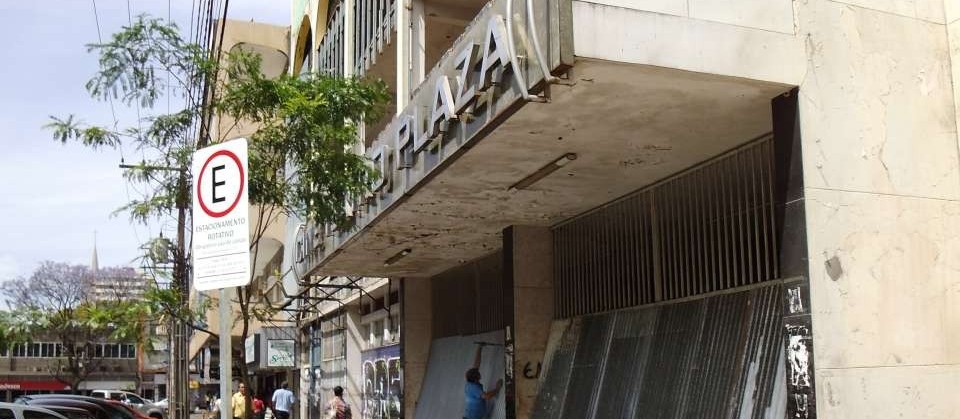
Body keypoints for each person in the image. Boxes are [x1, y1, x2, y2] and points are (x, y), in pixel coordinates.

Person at [464, 344, 502, 419]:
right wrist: (497, 389)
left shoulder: (471, 379)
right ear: (475, 379)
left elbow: (476, 365)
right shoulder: (474, 388)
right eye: (478, 375)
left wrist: (480, 348)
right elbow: (487, 396)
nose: (480, 374)